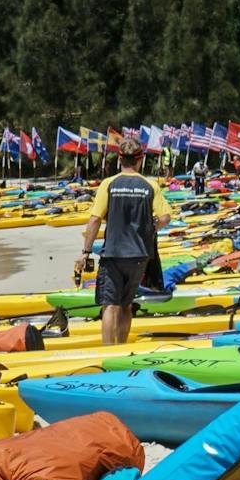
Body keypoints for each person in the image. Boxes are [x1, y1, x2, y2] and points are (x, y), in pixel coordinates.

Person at [75, 139, 173, 346]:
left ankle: (108, 351)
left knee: (110, 305)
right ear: (140, 160)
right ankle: (121, 347)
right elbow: (165, 217)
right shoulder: (150, 186)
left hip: (113, 254)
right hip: (139, 255)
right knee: (127, 304)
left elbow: (94, 219)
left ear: (120, 159)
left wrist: (85, 252)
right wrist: (149, 228)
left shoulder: (108, 184)